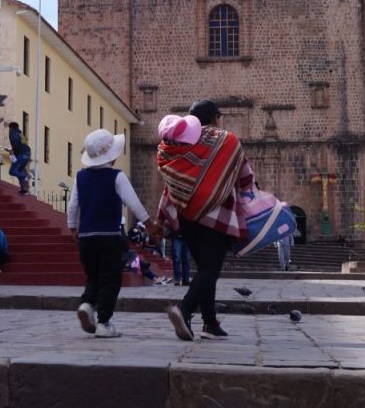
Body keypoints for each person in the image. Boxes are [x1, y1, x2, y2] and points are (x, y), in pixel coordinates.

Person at [155, 102, 253, 341]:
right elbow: (245, 177)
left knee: (204, 271)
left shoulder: (180, 141)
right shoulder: (227, 140)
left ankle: (210, 323)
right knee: (210, 270)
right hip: (216, 215)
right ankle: (184, 309)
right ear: (217, 118)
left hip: (186, 216)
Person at [68, 128, 157, 338]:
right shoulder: (117, 177)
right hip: (109, 236)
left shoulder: (80, 177)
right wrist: (149, 224)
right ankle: (104, 323)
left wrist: (73, 227)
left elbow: (73, 205)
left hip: (86, 237)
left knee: (93, 275)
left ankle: (87, 304)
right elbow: (133, 203)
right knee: (110, 279)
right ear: (112, 157)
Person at [7, 122, 32, 194]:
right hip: (27, 155)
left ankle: (25, 176)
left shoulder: (13, 134)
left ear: (11, 128)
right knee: (19, 171)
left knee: (12, 171)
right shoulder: (21, 135)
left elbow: (15, 145)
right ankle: (23, 189)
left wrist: (11, 151)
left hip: (21, 154)